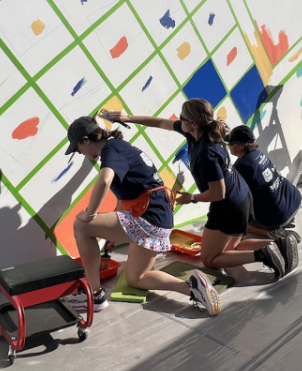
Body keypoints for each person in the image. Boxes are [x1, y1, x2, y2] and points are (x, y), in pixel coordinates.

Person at [102, 99, 287, 279]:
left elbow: (218, 193)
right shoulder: (195, 133)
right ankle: (281, 243)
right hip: (240, 195)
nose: (178, 120)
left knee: (210, 259)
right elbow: (159, 122)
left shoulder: (206, 153)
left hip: (229, 205)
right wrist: (128, 118)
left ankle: (263, 255)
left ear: (192, 123)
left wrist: (191, 198)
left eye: (181, 117)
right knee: (229, 250)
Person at [65, 116, 221, 315]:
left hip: (148, 217)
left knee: (81, 225)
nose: (80, 153)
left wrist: (90, 214)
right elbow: (125, 196)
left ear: (86, 140)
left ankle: (95, 296)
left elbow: (104, 181)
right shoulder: (121, 146)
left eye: (78, 148)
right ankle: (192, 287)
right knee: (136, 278)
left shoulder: (111, 151)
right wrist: (112, 233)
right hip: (158, 217)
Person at [228, 125, 302, 273]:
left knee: (234, 220)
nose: (228, 147)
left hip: (279, 215)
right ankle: (283, 228)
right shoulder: (257, 153)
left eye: (230, 144)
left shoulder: (242, 166)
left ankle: (273, 234)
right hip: (294, 201)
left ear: (240, 146)